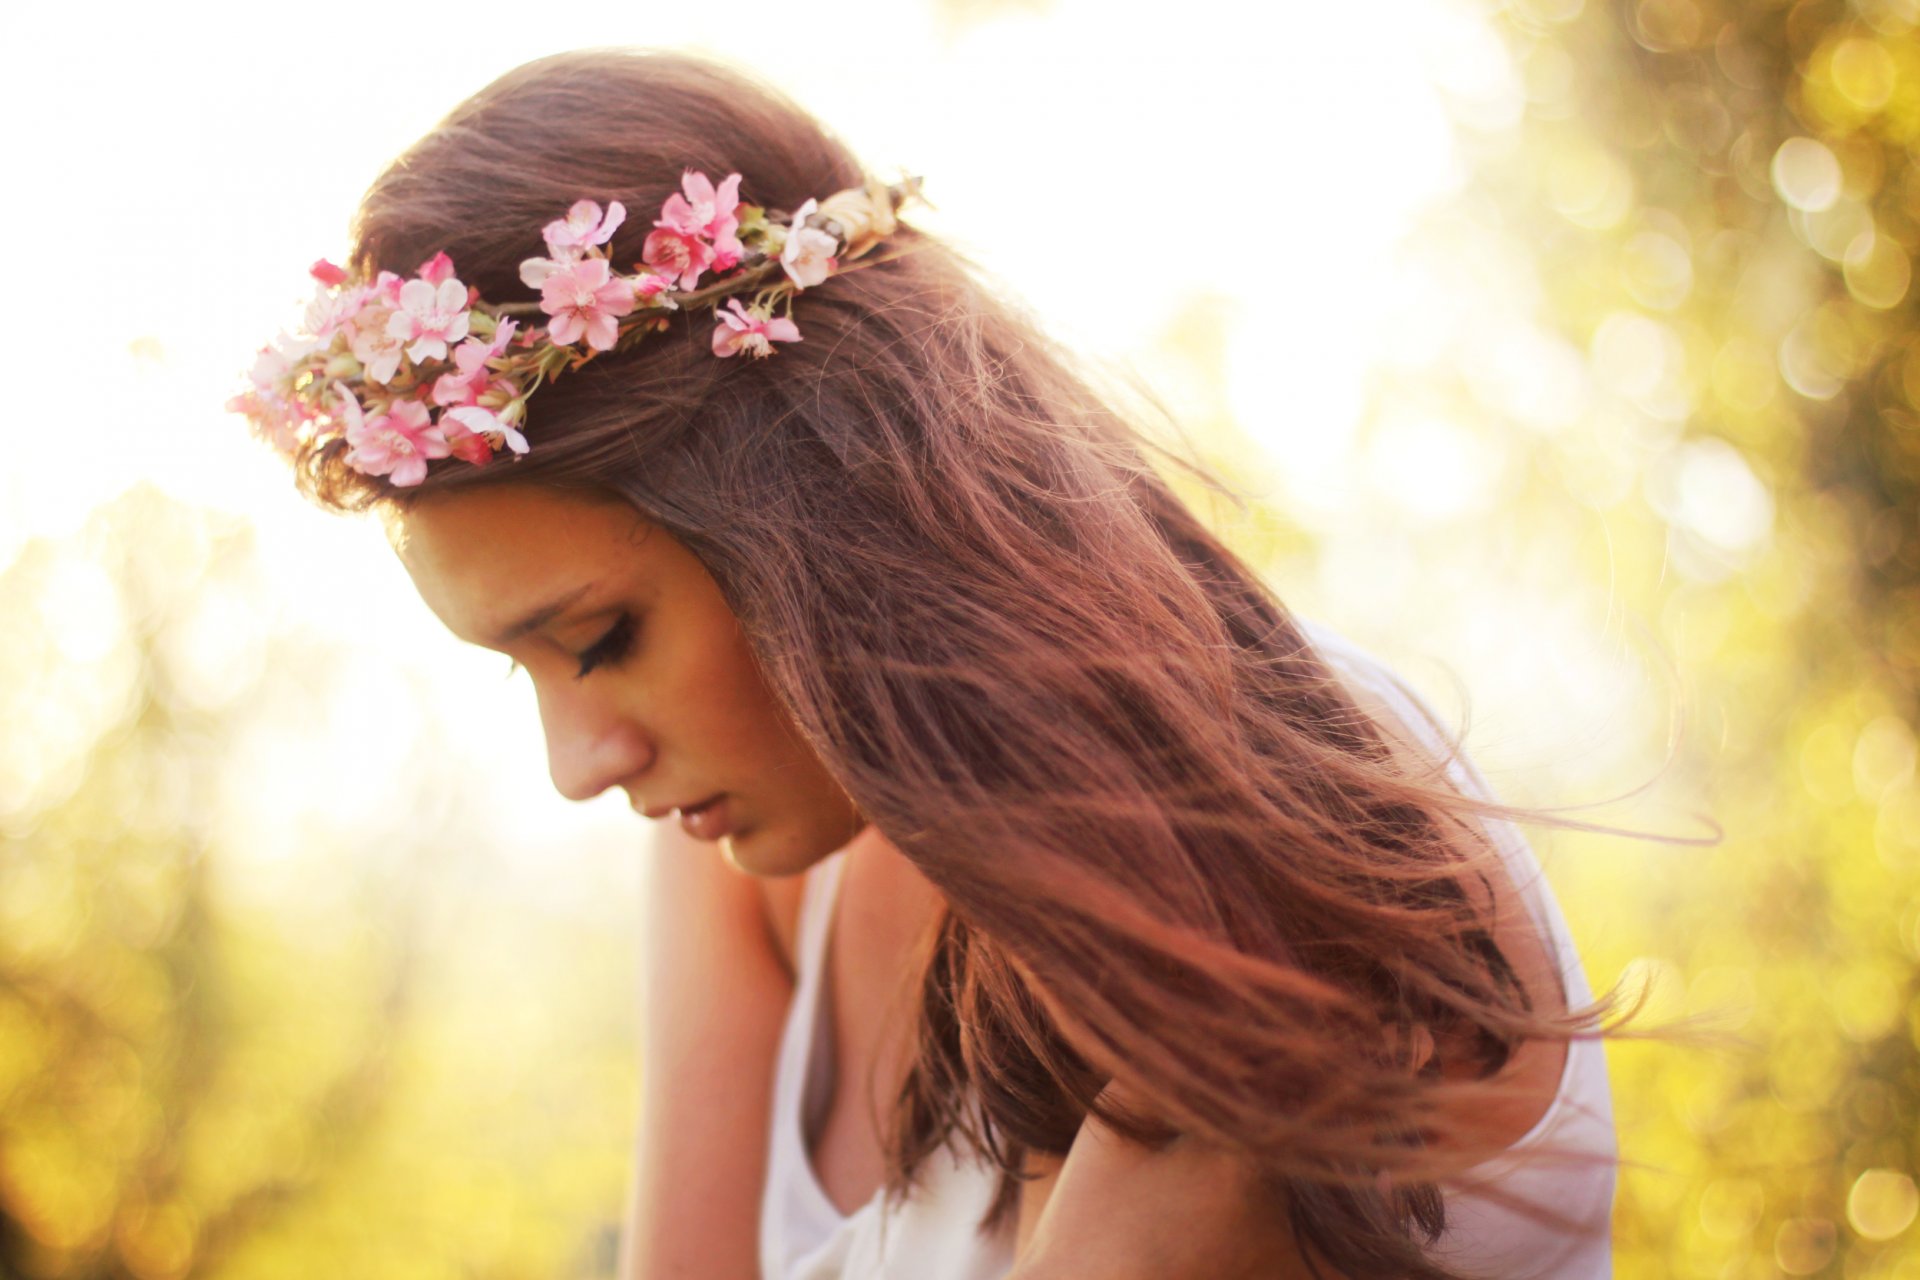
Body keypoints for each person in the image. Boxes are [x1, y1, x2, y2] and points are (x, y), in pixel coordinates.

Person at [232, 48, 1620, 1279]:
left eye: (603, 642)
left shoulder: (1251, 860)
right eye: (522, 667)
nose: (578, 766)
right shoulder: (745, 850)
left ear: (815, 506)